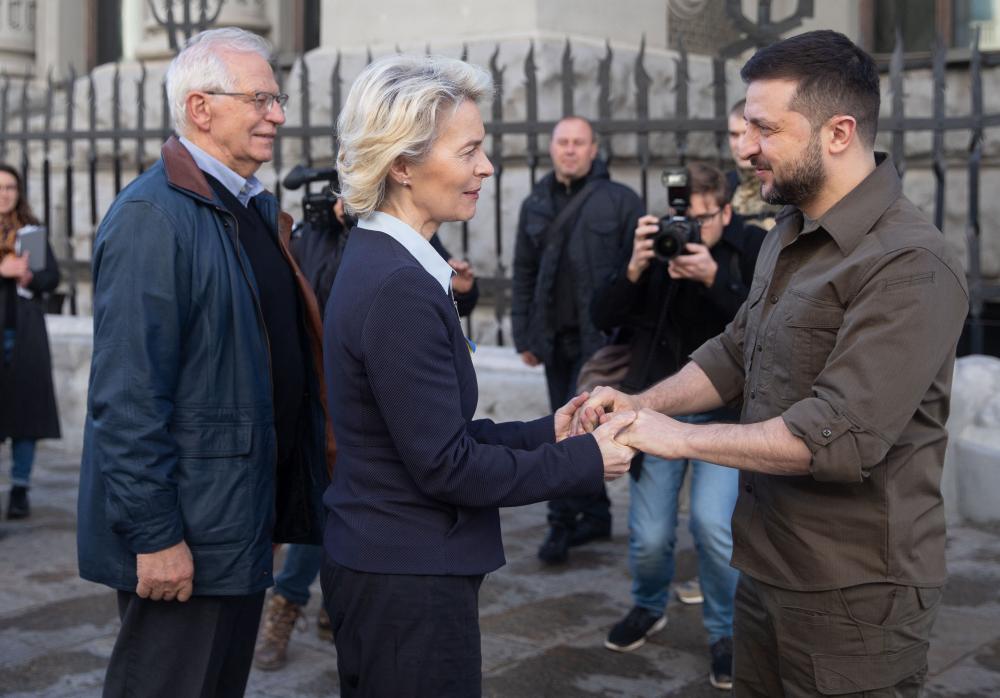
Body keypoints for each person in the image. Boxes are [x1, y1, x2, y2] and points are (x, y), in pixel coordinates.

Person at [576, 30, 969, 696]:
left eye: (764, 128)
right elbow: (734, 352)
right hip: (764, 564)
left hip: (853, 596)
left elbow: (837, 434)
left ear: (838, 133)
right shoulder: (789, 231)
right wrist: (641, 404)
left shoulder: (909, 264)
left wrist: (678, 440)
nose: (746, 146)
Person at [322, 54, 637, 697]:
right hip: (406, 581)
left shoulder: (388, 260)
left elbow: (431, 432)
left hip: (392, 567)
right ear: (403, 165)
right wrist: (583, 461)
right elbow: (448, 466)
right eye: (469, 151)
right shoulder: (399, 287)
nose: (486, 168)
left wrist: (549, 431)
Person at [77, 28, 334, 698]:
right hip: (183, 537)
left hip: (237, 522)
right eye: (261, 99)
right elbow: (127, 397)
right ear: (201, 108)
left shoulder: (248, 207)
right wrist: (156, 536)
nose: (277, 114)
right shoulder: (151, 218)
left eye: (276, 100)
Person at [255, 198, 480, 672]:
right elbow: (316, 298)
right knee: (327, 501)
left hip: (372, 393)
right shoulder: (320, 233)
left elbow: (434, 299)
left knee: (346, 498)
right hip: (323, 393)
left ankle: (326, 609)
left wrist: (463, 289)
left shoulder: (407, 229)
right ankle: (287, 605)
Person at [591, 161, 765, 690]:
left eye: (702, 219)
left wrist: (714, 278)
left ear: (726, 210)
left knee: (714, 528)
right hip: (656, 407)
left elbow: (763, 331)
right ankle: (648, 605)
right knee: (649, 535)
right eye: (681, 216)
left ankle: (725, 633)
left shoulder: (753, 247)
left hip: (726, 416)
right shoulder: (658, 249)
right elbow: (602, 314)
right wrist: (636, 265)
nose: (688, 228)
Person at [511, 115, 644, 564]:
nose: (569, 149)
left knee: (577, 434)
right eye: (562, 142)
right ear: (552, 147)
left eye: (578, 142)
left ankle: (562, 523)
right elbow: (523, 272)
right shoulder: (535, 202)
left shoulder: (622, 201)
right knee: (563, 427)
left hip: (600, 344)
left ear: (593, 149)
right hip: (553, 340)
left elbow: (637, 278)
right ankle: (592, 516)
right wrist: (523, 333)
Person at [0, 164, 61, 520]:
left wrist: (29, 275)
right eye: (0, 187)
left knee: (25, 411)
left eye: (11, 187)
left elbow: (52, 277)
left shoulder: (32, 233)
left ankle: (20, 488)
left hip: (24, 332)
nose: (5, 193)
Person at [726, 99, 782, 231]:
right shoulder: (722, 185)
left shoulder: (783, 185)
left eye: (745, 132)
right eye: (734, 135)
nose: (741, 144)